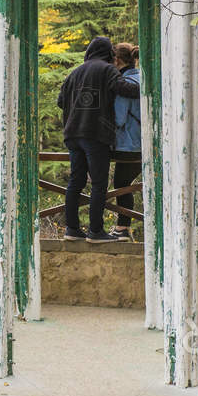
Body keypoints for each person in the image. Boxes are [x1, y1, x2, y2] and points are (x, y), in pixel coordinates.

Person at [56, 35, 140, 242]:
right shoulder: (106, 69)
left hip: (72, 133)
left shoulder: (75, 73)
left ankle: (72, 229)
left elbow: (60, 101)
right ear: (107, 53)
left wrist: (79, 107)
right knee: (99, 183)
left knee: (75, 182)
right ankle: (95, 231)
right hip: (94, 134)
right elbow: (126, 89)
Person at [109, 42, 142, 239]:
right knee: (124, 184)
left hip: (128, 144)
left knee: (121, 184)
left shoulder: (125, 85)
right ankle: (123, 228)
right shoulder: (142, 78)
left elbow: (118, 119)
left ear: (117, 60)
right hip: (143, 142)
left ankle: (122, 229)